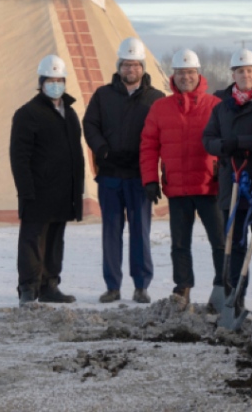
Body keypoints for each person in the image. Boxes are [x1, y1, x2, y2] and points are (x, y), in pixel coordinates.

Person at [140, 49, 224, 307]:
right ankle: (182, 287)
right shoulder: (160, 107)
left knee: (220, 241)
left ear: (199, 74)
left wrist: (224, 173)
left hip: (210, 186)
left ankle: (224, 285)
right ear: (172, 77)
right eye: (180, 73)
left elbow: (225, 142)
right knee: (179, 244)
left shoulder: (215, 105)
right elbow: (148, 145)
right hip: (177, 187)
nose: (185, 77)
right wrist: (150, 179)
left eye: (190, 72)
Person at [83, 37, 164, 304]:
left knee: (140, 232)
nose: (131, 70)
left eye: (135, 65)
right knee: (111, 231)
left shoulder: (155, 99)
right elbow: (90, 124)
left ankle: (141, 285)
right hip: (110, 176)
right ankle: (113, 286)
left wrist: (156, 174)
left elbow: (164, 134)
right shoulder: (103, 95)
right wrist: (102, 148)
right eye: (126, 65)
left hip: (139, 176)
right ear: (119, 67)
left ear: (143, 67)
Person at [203, 48, 252, 314]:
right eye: (239, 71)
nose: (245, 75)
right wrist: (224, 146)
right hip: (231, 182)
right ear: (233, 74)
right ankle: (236, 294)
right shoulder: (222, 106)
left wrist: (242, 143)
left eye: (249, 70)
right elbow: (208, 139)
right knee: (235, 244)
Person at [10, 55, 84, 306]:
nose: (55, 84)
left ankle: (50, 285)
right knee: (33, 240)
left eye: (59, 80)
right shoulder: (27, 114)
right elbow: (19, 157)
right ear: (41, 82)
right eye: (50, 80)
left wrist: (77, 190)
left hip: (63, 192)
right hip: (37, 191)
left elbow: (76, 153)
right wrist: (25, 190)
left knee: (54, 241)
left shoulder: (70, 113)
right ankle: (28, 288)